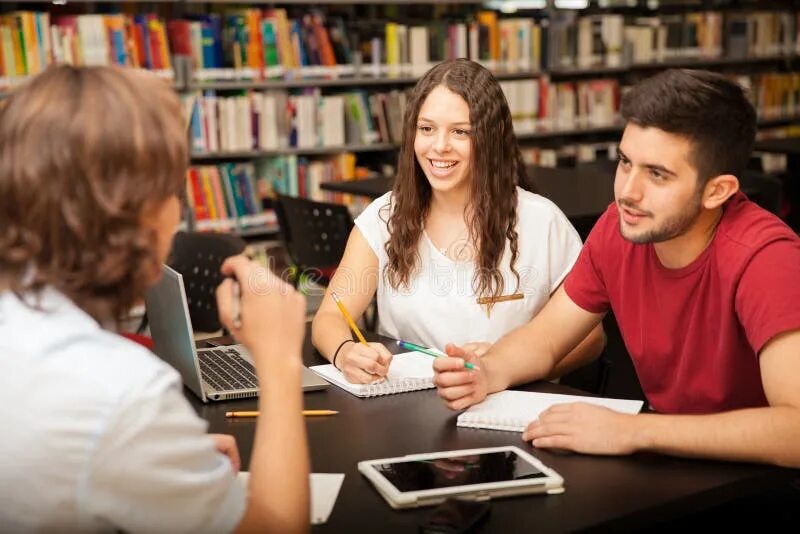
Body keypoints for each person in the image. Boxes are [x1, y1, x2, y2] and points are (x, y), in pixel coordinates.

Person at [432, 68, 800, 468]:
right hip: (675, 464)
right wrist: (487, 371)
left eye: (656, 174)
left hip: (761, 481)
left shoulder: (767, 259)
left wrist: (633, 430)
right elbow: (546, 339)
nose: (627, 191)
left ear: (717, 191)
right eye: (625, 163)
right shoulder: (619, 228)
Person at [0, 66, 310, 531]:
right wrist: (281, 362)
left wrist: (158, 458)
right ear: (132, 214)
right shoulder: (123, 395)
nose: (179, 210)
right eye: (173, 190)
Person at [311, 59, 604, 384]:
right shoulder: (384, 218)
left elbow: (591, 339)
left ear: (492, 137)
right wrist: (345, 353)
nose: (439, 146)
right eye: (427, 129)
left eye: (460, 132)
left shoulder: (542, 222)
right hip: (406, 401)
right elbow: (329, 317)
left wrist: (508, 366)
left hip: (509, 400)